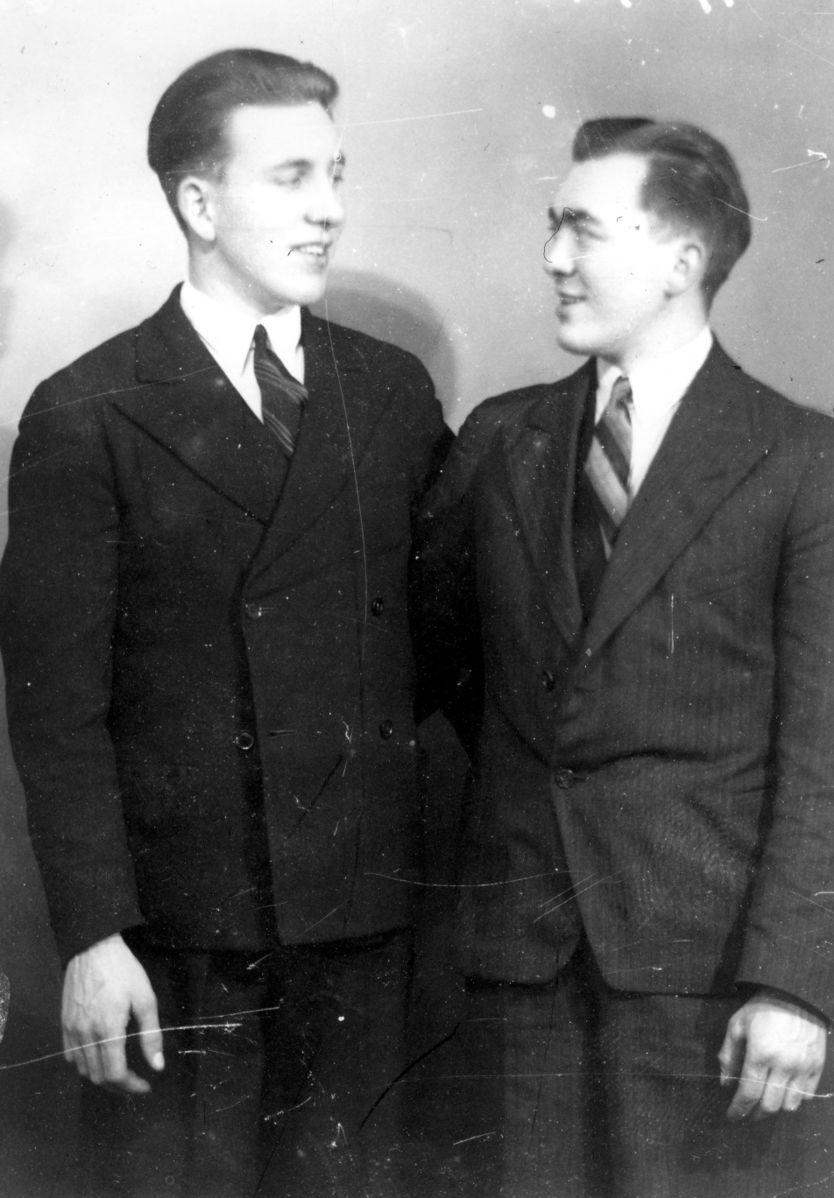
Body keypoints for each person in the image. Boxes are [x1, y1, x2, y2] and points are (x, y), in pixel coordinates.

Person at [0, 47, 447, 1197]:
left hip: (358, 931)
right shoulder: (86, 411)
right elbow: (56, 714)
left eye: (336, 174)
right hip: (178, 943)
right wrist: (94, 936)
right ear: (199, 203)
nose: (329, 208)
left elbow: (453, 651)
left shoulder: (390, 393)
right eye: (292, 176)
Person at [413, 117, 834, 1196]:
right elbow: (454, 672)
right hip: (520, 966)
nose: (553, 258)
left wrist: (794, 984)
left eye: (583, 230)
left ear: (682, 260)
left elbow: (825, 752)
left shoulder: (803, 459)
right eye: (551, 227)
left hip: (711, 980)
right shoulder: (499, 440)